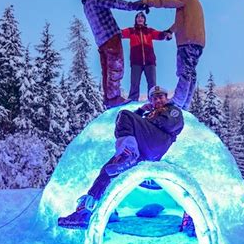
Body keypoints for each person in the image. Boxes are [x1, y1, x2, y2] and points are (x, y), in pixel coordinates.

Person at [58, 86, 184, 229]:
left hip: (157, 144)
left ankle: (128, 153)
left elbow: (168, 124)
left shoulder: (173, 110)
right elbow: (136, 123)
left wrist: (146, 118)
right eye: (154, 98)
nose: (158, 100)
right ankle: (85, 212)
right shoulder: (150, 114)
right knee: (107, 170)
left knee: (124, 115)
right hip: (142, 150)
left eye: (161, 97)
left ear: (166, 97)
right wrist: (142, 111)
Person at [81, 0, 149, 108]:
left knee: (106, 69)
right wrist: (134, 5)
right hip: (110, 37)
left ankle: (108, 98)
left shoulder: (86, 5)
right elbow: (114, 2)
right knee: (116, 67)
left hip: (100, 41)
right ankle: (114, 97)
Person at [141, 0, 205, 110]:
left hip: (187, 41)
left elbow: (164, 1)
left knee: (184, 71)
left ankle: (177, 102)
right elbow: (180, 23)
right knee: (191, 72)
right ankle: (185, 104)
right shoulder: (192, 1)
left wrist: (147, 2)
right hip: (197, 42)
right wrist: (170, 31)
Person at [121, 12, 171, 101]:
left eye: (142, 17)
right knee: (134, 82)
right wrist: (111, 32)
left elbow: (159, 35)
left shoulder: (149, 31)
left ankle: (153, 100)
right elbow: (120, 33)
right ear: (136, 20)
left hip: (150, 61)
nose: (140, 19)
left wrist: (166, 34)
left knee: (152, 83)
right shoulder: (131, 31)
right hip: (136, 61)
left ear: (144, 20)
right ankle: (132, 99)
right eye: (138, 17)